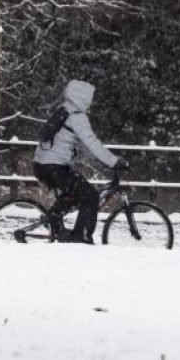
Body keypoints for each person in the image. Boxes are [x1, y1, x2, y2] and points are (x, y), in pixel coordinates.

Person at [32, 79, 129, 244]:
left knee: (76, 192)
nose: (91, 101)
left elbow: (82, 146)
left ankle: (54, 218)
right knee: (90, 196)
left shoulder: (65, 109)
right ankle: (81, 237)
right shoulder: (77, 116)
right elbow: (93, 143)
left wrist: (102, 161)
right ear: (83, 97)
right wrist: (114, 162)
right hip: (53, 167)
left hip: (44, 165)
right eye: (90, 97)